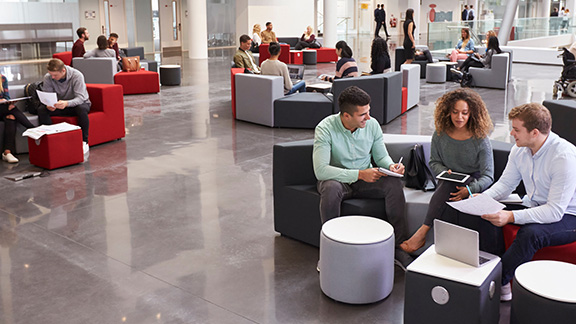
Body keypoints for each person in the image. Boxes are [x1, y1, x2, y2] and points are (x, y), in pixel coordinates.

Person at [478, 103, 576, 301]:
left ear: (534, 132)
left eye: (516, 129)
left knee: (530, 234)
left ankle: (498, 282)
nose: (511, 133)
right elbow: (506, 184)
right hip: (535, 204)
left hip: (569, 215)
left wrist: (511, 216)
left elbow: (554, 212)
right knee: (485, 213)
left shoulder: (563, 157)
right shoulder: (519, 150)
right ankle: (492, 270)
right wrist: (483, 199)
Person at [313, 85, 413, 269]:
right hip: (338, 180)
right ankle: (329, 251)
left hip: (365, 180)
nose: (368, 117)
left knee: (393, 183)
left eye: (368, 111)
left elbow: (380, 156)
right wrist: (359, 174)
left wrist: (391, 166)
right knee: (330, 188)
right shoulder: (325, 128)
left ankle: (399, 247)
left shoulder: (372, 125)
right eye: (362, 114)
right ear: (346, 116)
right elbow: (321, 171)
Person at [400, 89, 494, 253]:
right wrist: (443, 171)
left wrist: (469, 190)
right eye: (455, 112)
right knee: (449, 186)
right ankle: (451, 250)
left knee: (449, 189)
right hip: (448, 180)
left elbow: (488, 176)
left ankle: (424, 232)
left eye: (464, 113)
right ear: (448, 112)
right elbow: (434, 162)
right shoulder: (440, 134)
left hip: (472, 182)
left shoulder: (480, 139)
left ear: (472, 113)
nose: (460, 117)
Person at [37, 59, 91, 155]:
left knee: (81, 109)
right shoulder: (48, 77)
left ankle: (84, 141)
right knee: (42, 110)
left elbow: (81, 98)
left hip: (78, 104)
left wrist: (67, 103)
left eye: (55, 75)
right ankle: (50, 138)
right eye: (51, 75)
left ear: (63, 71)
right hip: (59, 104)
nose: (52, 77)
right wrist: (49, 105)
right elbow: (48, 95)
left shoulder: (77, 76)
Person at [0, 74, 35, 163]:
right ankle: (33, 129)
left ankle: (7, 153)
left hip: (2, 110)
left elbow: (6, 96)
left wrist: (8, 102)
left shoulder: (2, 78)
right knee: (11, 110)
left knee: (11, 116)